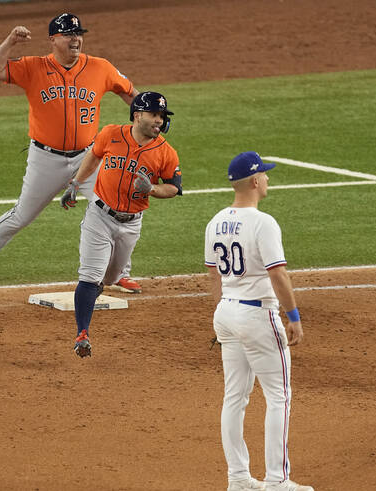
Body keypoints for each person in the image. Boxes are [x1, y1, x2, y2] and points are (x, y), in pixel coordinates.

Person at [0, 12, 144, 293]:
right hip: (46, 157)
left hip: (89, 157)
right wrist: (10, 42)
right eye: (68, 34)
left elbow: (130, 94)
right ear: (54, 39)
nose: (76, 39)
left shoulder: (100, 67)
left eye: (78, 34)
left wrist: (144, 116)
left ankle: (117, 273)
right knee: (22, 215)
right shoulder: (34, 67)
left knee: (113, 209)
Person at [204, 151, 313, 491]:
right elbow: (278, 274)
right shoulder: (263, 223)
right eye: (264, 174)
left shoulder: (215, 221)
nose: (268, 178)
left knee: (234, 397)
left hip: (227, 312)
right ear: (253, 181)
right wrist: (292, 316)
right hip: (257, 315)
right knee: (279, 396)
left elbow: (213, 276)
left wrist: (221, 313)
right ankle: (277, 481)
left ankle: (237, 479)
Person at [60, 91, 182, 358]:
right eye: (154, 115)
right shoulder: (111, 134)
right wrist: (75, 184)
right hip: (99, 215)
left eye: (162, 116)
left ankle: (101, 285)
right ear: (137, 115)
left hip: (131, 223)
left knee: (112, 277)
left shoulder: (165, 152)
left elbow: (174, 188)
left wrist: (151, 188)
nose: (159, 121)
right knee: (90, 275)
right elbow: (94, 155)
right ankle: (82, 334)